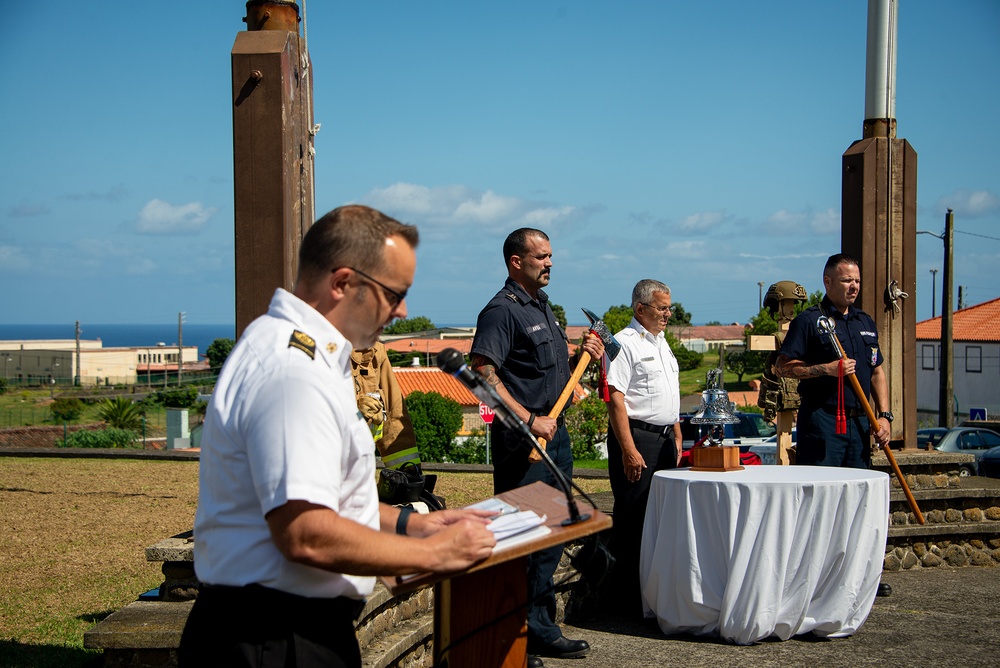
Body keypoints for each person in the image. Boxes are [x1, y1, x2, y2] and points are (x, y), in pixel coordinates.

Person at [179, 205, 496, 668]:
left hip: (283, 628)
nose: (403, 310)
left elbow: (331, 502)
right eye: (395, 293)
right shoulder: (294, 373)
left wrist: (409, 523)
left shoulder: (307, 358)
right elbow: (305, 532)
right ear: (343, 282)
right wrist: (432, 552)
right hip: (274, 637)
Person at [470, 228, 603, 667]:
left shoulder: (544, 306)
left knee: (550, 538)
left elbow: (550, 375)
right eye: (541, 257)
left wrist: (584, 355)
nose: (550, 263)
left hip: (555, 438)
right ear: (516, 261)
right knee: (520, 540)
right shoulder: (500, 312)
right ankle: (513, 641)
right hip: (522, 444)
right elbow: (482, 377)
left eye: (551, 256)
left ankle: (542, 629)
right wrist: (528, 419)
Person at [775, 253, 893, 596]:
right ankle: (814, 578)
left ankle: (859, 576)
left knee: (858, 502)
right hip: (824, 422)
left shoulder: (865, 321)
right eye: (846, 280)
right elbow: (783, 367)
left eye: (856, 280)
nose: (853, 286)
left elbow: (878, 371)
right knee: (822, 500)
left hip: (860, 426)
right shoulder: (811, 321)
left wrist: (884, 415)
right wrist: (825, 370)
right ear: (828, 282)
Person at [603, 279, 682, 617]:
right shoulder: (624, 343)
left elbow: (670, 393)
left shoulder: (662, 343)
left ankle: (653, 598)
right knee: (634, 521)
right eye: (662, 308)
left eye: (669, 307)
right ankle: (627, 603)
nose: (668, 314)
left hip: (665, 439)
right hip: (638, 439)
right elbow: (615, 397)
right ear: (641, 309)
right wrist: (629, 449)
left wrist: (677, 435)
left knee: (660, 521)